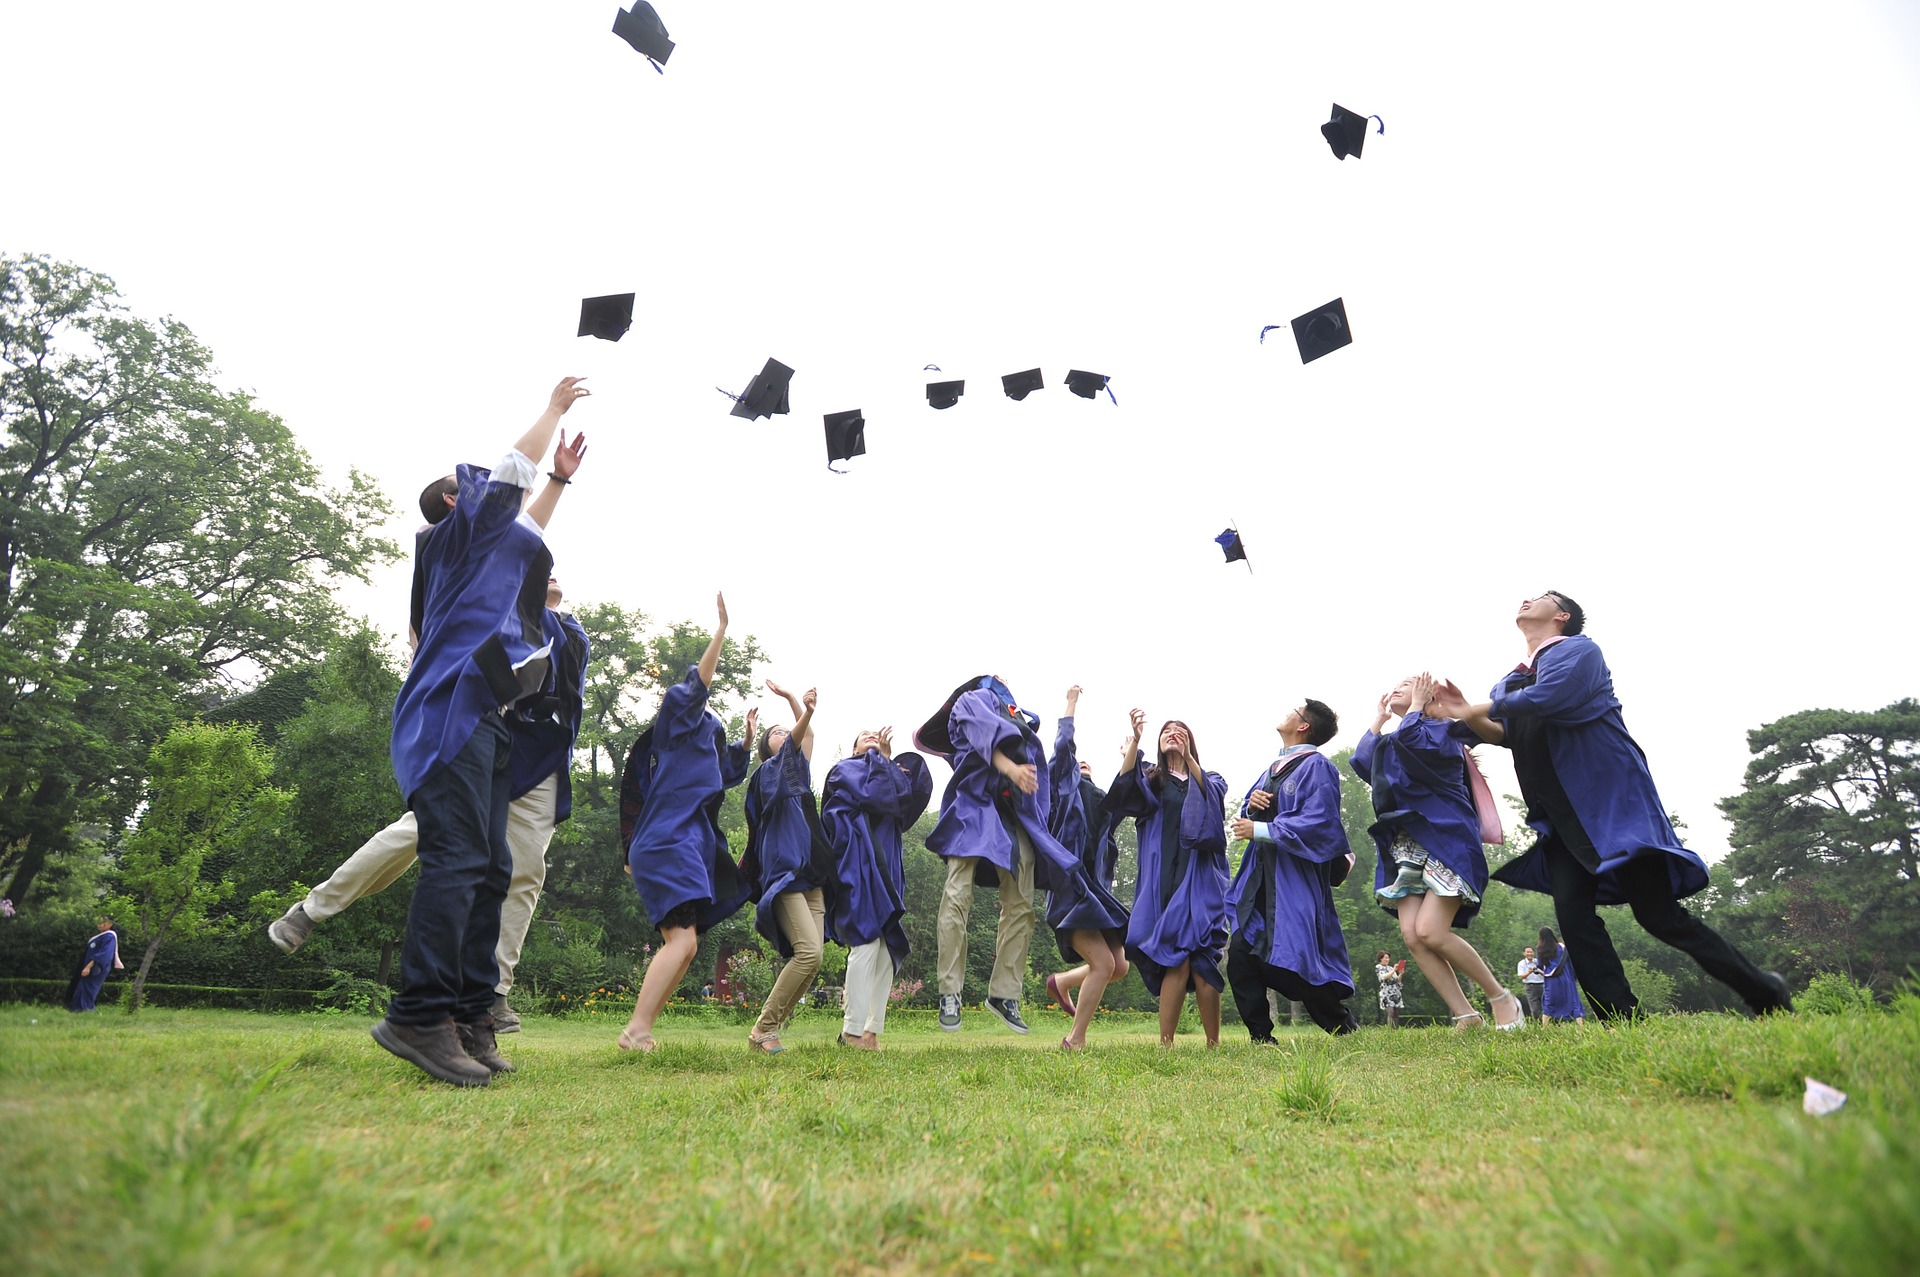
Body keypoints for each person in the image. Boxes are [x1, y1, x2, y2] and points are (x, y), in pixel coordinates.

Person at [369, 376, 589, 1087]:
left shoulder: (480, 553)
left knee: (492, 867)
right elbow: (510, 481)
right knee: (459, 860)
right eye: (479, 487)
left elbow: (528, 524)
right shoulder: (449, 540)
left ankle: (468, 1015)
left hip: (487, 720)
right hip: (448, 716)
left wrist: (558, 478)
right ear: (455, 504)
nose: (499, 491)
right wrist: (552, 411)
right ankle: (418, 1014)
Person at [1435, 591, 1792, 1019]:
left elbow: (1551, 696)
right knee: (1574, 917)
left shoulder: (1579, 651)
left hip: (1610, 809)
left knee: (1659, 916)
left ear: (1563, 616)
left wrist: (1472, 709)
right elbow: (1501, 732)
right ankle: (1620, 1015)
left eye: (1543, 597)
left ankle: (1764, 990)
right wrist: (1457, 713)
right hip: (1561, 818)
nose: (1529, 599)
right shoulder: (1509, 680)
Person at [269, 573, 591, 1035]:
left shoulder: (572, 631)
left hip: (543, 761)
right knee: (417, 831)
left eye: (555, 572)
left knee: (525, 873)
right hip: (484, 739)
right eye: (542, 569)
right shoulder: (494, 608)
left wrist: (543, 606)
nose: (552, 573)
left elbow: (560, 672)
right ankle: (311, 911)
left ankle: (493, 994)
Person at [915, 674, 1092, 1035]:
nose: (1004, 679)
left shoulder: (1018, 718)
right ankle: (950, 992)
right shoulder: (973, 698)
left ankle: (1004, 994)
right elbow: (982, 732)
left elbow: (1045, 762)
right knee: (957, 893)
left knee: (1022, 904)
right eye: (999, 677)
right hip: (973, 807)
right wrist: (1010, 767)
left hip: (1014, 817)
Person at [617, 593, 756, 1053]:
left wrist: (747, 741)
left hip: (681, 844)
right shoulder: (675, 721)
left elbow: (729, 772)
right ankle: (636, 1029)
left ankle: (641, 1030)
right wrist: (719, 633)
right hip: (665, 842)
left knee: (687, 944)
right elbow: (696, 687)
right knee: (680, 942)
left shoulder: (703, 746)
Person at [1351, 673, 1525, 1031]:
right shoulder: (1397, 738)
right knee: (1413, 936)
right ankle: (1465, 1014)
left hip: (1446, 838)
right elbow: (1364, 761)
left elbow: (1416, 743)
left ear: (1426, 697)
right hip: (1408, 845)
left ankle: (1501, 998)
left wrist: (1416, 705)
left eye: (1407, 684)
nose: (1397, 688)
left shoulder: (1442, 732)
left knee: (1431, 930)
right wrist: (1381, 719)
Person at [1226, 700, 1360, 1038]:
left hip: (1294, 880)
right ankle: (1261, 1037)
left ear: (1304, 727)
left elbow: (1320, 823)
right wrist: (1251, 805)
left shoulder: (1317, 767)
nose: (1287, 713)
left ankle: (1340, 1024)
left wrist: (1260, 830)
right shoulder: (1274, 766)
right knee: (1241, 950)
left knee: (1298, 960)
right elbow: (1249, 810)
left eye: (1295, 712)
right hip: (1259, 878)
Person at [1110, 710, 1231, 1047]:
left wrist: (1190, 759)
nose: (1173, 733)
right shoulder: (1151, 781)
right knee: (1174, 960)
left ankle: (1213, 1042)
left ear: (1191, 742)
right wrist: (1135, 741)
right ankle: (1166, 1043)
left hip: (1200, 878)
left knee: (1204, 959)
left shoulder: (1209, 778)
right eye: (1167, 731)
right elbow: (1124, 792)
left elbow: (1213, 797)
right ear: (1158, 743)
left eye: (1181, 730)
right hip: (1162, 881)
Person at [822, 726, 934, 1051]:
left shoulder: (886, 769)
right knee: (866, 942)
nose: (871, 734)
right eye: (864, 734)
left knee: (887, 950)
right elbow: (876, 797)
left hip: (887, 867)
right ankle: (850, 1030)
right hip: (857, 864)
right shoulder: (845, 769)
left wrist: (886, 760)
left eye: (875, 733)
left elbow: (905, 800)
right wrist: (882, 762)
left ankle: (871, 1031)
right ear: (855, 747)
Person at [1038, 687, 1132, 1050]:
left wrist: (1130, 751)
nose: (1083, 763)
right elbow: (1063, 749)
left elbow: (1123, 794)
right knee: (1105, 966)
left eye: (1088, 763)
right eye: (1079, 764)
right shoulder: (1063, 796)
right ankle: (1074, 1039)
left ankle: (1062, 981)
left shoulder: (1103, 806)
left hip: (1099, 896)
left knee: (1119, 966)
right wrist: (1071, 703)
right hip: (1072, 894)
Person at [740, 679, 825, 1054]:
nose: (784, 733)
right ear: (766, 749)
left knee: (813, 959)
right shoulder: (767, 774)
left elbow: (804, 739)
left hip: (812, 876)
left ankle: (769, 1031)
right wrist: (803, 711)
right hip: (785, 869)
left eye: (784, 729)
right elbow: (796, 740)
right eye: (775, 733)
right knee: (808, 952)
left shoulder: (799, 771)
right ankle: (763, 1029)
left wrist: (796, 702)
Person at [63, 916, 122, 1012]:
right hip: (88, 967)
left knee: (87, 989)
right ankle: (76, 1010)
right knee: (81, 987)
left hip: (95, 968)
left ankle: (84, 1010)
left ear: (110, 924)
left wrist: (88, 967)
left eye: (103, 922)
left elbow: (104, 954)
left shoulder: (110, 936)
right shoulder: (102, 936)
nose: (99, 924)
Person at [1536, 926, 1586, 1022]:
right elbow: (1571, 963)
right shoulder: (1561, 947)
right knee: (1574, 1001)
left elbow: (1540, 965)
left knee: (1549, 1003)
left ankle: (1545, 1028)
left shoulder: (1540, 948)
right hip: (1566, 978)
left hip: (1551, 981)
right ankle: (1581, 1029)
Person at [1374, 951, 1403, 1028]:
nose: (1387, 959)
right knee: (1391, 1011)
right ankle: (1390, 1030)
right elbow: (1383, 977)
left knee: (1396, 1012)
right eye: (1385, 958)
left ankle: (1396, 1030)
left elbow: (1397, 980)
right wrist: (1393, 970)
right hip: (1386, 992)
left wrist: (1400, 973)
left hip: (1395, 991)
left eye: (1388, 958)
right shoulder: (1378, 967)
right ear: (1381, 959)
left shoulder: (1390, 968)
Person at [1518, 946, 1546, 1021]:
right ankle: (1538, 1024)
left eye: (1531, 952)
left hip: (1542, 985)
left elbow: (1546, 974)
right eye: (1527, 952)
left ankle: (1549, 1023)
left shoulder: (1538, 962)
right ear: (1524, 953)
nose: (1529, 954)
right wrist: (1529, 972)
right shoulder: (1521, 963)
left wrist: (1539, 971)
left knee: (1545, 1005)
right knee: (1535, 1009)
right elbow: (1521, 976)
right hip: (1530, 986)